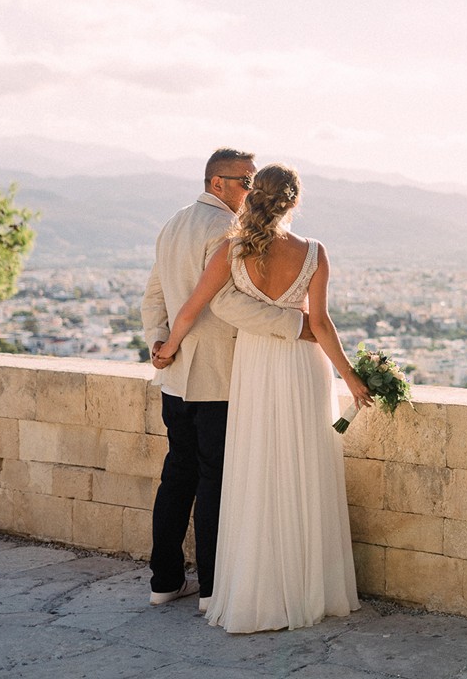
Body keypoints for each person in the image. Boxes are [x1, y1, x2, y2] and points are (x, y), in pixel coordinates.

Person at [154, 163, 372, 633]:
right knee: (301, 463)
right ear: (293, 201)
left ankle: (251, 585)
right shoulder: (314, 252)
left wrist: (167, 349)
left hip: (252, 366)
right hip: (301, 368)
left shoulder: (232, 250)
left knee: (252, 469)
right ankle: (306, 584)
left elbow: (193, 307)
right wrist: (350, 378)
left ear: (254, 198)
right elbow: (321, 324)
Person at [142, 148, 315, 609]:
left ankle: (164, 581)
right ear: (217, 183)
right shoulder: (228, 230)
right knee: (215, 481)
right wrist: (298, 326)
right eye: (245, 182)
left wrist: (158, 340)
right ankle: (214, 588)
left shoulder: (175, 222)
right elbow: (226, 303)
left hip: (176, 376)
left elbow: (154, 292)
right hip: (217, 375)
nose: (252, 191)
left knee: (177, 477)